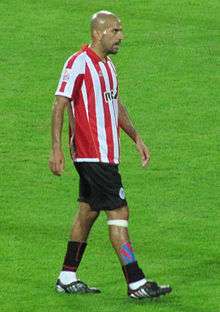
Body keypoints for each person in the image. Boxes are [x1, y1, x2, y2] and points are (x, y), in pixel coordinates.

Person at [49, 10, 172, 299]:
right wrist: (56, 149)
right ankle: (136, 282)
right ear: (98, 33)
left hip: (106, 154)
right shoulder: (78, 63)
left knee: (88, 212)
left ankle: (67, 276)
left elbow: (114, 105)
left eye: (120, 31)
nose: (121, 36)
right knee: (119, 212)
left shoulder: (108, 67)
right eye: (115, 31)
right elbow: (59, 104)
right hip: (93, 155)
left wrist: (136, 137)